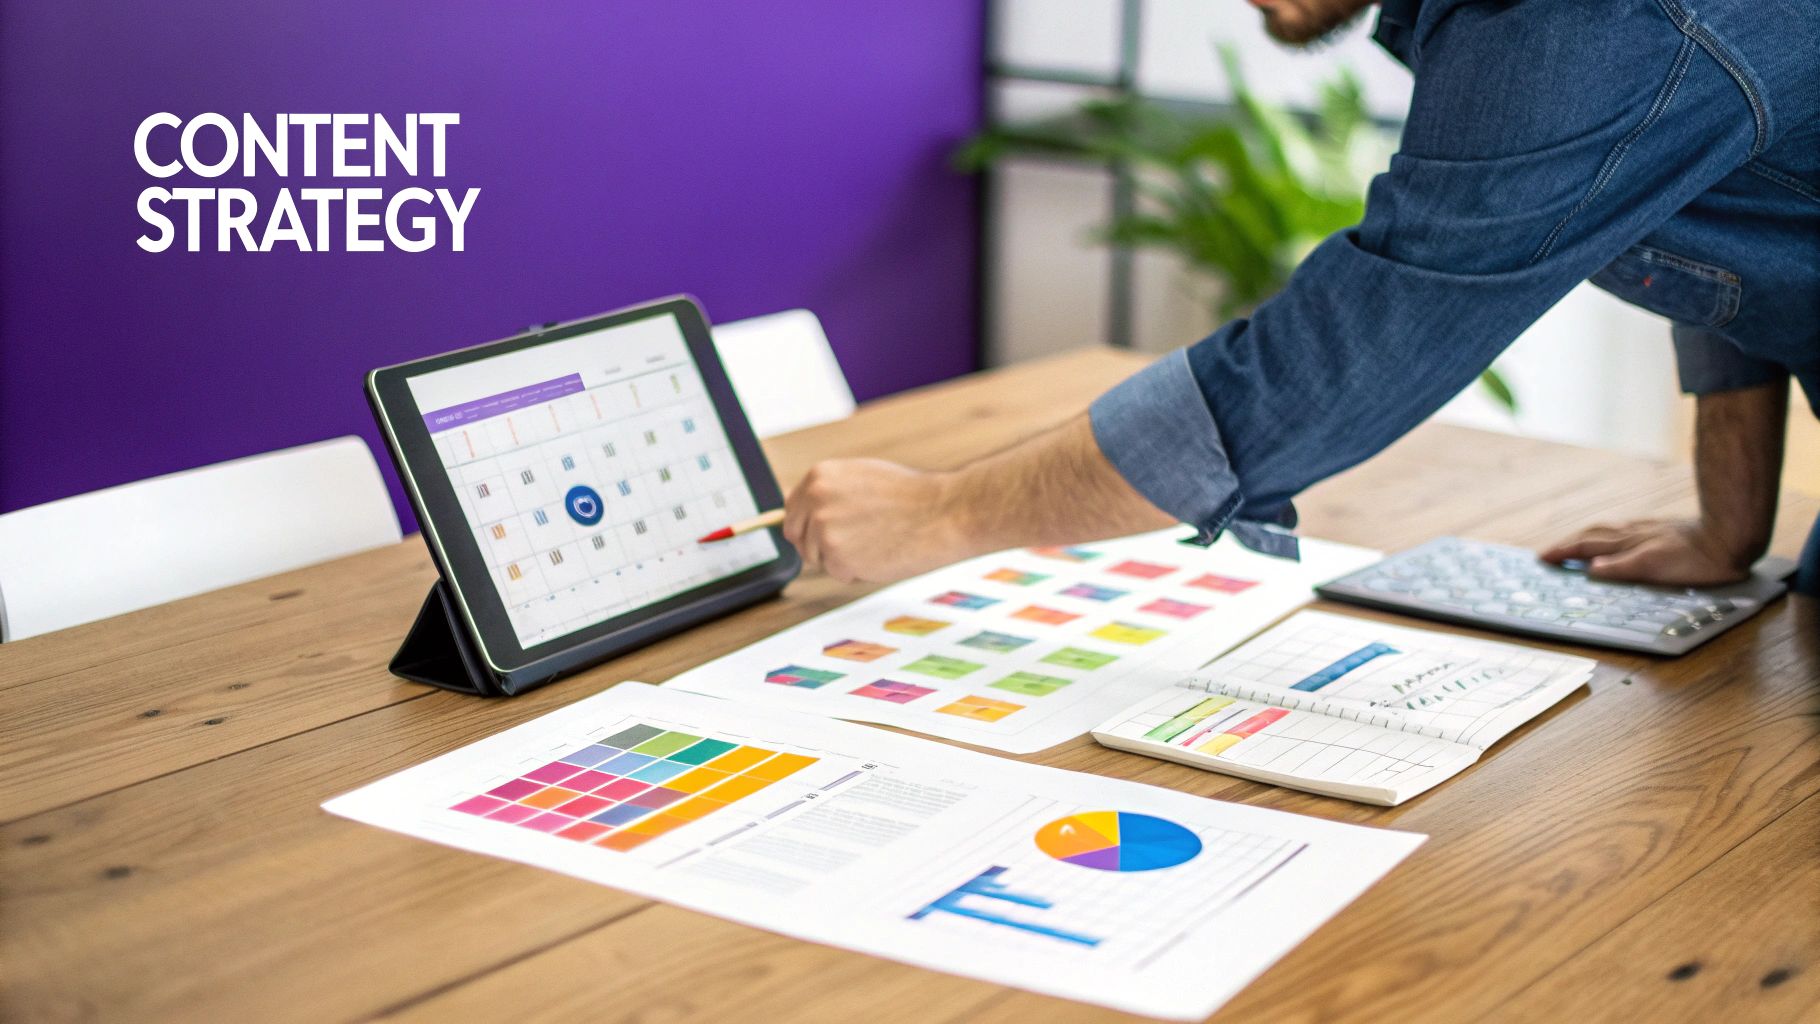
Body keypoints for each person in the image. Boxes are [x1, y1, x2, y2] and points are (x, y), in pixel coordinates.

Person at [783, 0, 1820, 597]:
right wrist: (1727, 524)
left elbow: (1333, 364)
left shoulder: (1589, 27)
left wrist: (945, 511)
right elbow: (1723, 211)